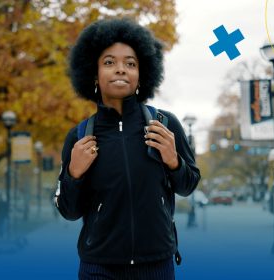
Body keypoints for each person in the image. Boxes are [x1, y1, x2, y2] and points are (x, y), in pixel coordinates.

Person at [54, 18, 201, 279]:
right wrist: (73, 174)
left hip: (156, 263)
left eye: (130, 63)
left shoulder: (165, 125)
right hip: (99, 266)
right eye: (109, 62)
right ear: (94, 74)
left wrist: (173, 160)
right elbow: (69, 211)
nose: (121, 69)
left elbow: (188, 185)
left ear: (141, 75)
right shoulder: (78, 137)